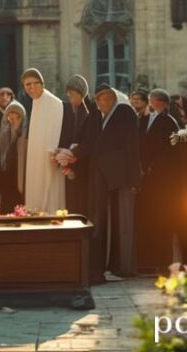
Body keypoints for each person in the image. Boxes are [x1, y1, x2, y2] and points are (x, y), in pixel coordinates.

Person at [71, 84, 139, 281]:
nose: (103, 103)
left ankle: (118, 265)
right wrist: (73, 152)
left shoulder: (124, 113)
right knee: (99, 218)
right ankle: (100, 266)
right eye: (100, 99)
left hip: (117, 177)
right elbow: (88, 141)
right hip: (100, 175)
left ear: (114, 100)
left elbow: (112, 145)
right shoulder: (96, 116)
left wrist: (74, 153)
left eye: (107, 99)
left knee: (117, 220)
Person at [136, 89, 182, 270]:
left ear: (160, 102)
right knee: (146, 220)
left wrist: (151, 167)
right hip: (145, 178)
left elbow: (168, 152)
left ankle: (162, 261)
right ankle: (146, 261)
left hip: (161, 180)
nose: (149, 102)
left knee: (161, 221)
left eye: (151, 100)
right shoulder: (145, 120)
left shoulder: (170, 123)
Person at [22, 68, 65, 214]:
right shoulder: (36, 102)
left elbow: (56, 132)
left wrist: (52, 155)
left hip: (49, 159)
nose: (32, 87)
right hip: (36, 159)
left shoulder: (54, 103)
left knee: (50, 195)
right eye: (28, 84)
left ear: (43, 84)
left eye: (35, 83)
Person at [59, 75, 92, 215]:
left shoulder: (91, 113)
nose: (69, 95)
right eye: (68, 92)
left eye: (72, 92)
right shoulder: (67, 110)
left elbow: (88, 142)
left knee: (81, 205)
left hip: (83, 167)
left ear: (81, 93)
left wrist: (73, 155)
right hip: (69, 165)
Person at [0, 101, 26, 213]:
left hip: (20, 176)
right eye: (10, 118)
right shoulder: (4, 135)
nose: (13, 121)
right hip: (7, 178)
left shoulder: (25, 136)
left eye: (16, 118)